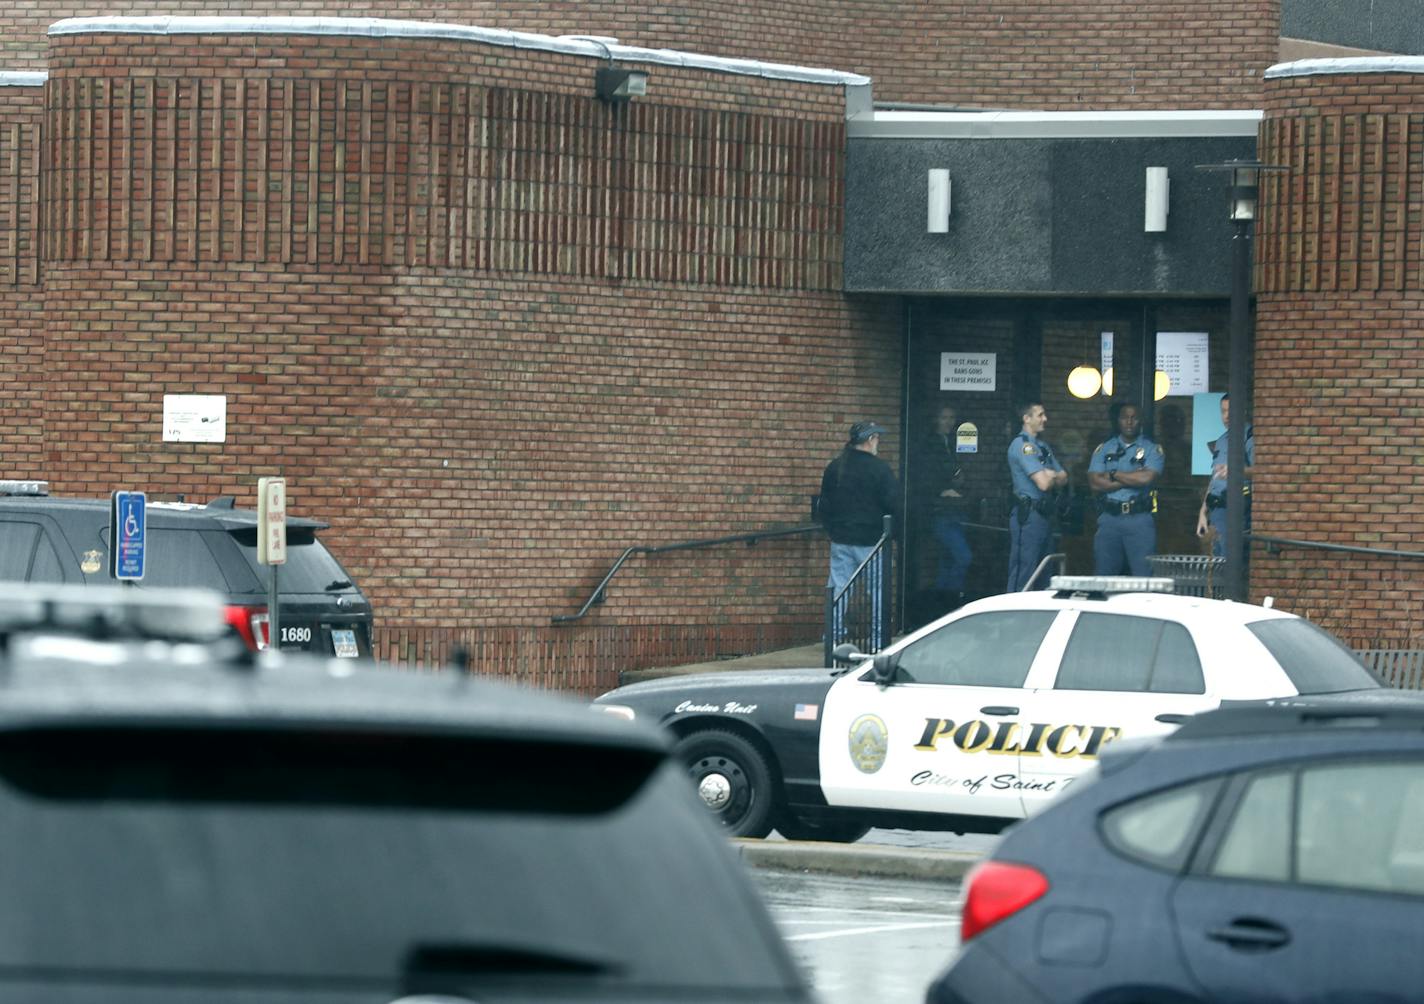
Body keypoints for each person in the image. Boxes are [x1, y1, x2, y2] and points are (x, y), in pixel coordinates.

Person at [818, 421, 901, 594]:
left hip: (841, 539)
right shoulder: (880, 469)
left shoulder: (835, 467)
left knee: (838, 589)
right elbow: (893, 504)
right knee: (877, 591)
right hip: (872, 542)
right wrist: (895, 533)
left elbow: (824, 505)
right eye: (877, 438)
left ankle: (836, 622)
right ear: (870, 439)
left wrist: (832, 530)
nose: (878, 442)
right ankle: (879, 623)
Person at [1088, 402, 1164, 575]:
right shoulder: (1105, 448)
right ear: (1118, 421)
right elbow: (1094, 482)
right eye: (1124, 418)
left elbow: (1146, 478)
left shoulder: (1152, 449)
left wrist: (1112, 474)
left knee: (1143, 577)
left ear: (1140, 421)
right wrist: (1130, 477)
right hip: (1109, 519)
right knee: (1104, 577)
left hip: (1139, 520)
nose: (1129, 422)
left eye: (1133, 418)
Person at [912, 405, 972, 614]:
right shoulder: (930, 445)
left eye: (951, 417)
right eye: (944, 417)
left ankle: (941, 605)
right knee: (963, 556)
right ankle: (951, 600)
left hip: (955, 509)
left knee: (948, 558)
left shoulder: (953, 443)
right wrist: (942, 491)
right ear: (936, 420)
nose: (948, 422)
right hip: (940, 510)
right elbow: (925, 476)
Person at [1006, 402, 1067, 591]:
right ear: (1026, 419)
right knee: (1025, 570)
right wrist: (1049, 475)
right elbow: (1043, 483)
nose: (1045, 419)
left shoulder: (1042, 446)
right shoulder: (1023, 446)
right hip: (1029, 516)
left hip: (1044, 514)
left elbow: (1064, 477)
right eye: (1040, 415)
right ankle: (1015, 614)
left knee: (1043, 570)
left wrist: (1050, 474)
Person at [1196, 393, 1254, 557]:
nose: (1226, 416)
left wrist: (1235, 470)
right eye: (1223, 411)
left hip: (1238, 509)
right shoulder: (1221, 440)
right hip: (1217, 509)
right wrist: (1203, 512)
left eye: (1231, 411)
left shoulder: (1250, 437)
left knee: (1231, 562)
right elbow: (1215, 478)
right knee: (1217, 562)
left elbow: (1263, 471)